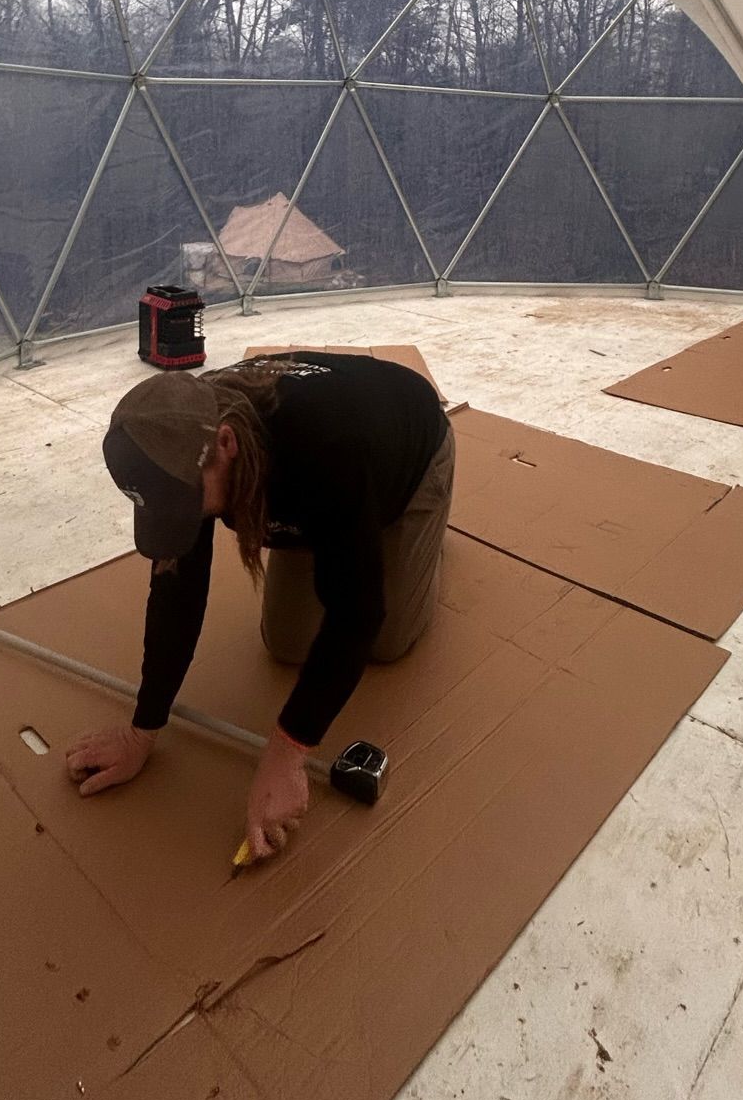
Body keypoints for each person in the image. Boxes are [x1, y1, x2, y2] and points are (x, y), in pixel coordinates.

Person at [65, 351, 453, 860]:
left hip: (408, 455)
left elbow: (357, 613)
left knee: (384, 639)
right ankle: (345, 536)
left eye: (186, 502)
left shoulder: (326, 446)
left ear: (225, 445)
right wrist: (143, 730)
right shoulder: (182, 429)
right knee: (289, 643)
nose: (185, 518)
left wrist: (287, 755)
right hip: (315, 485)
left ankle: (424, 541)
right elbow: (178, 592)